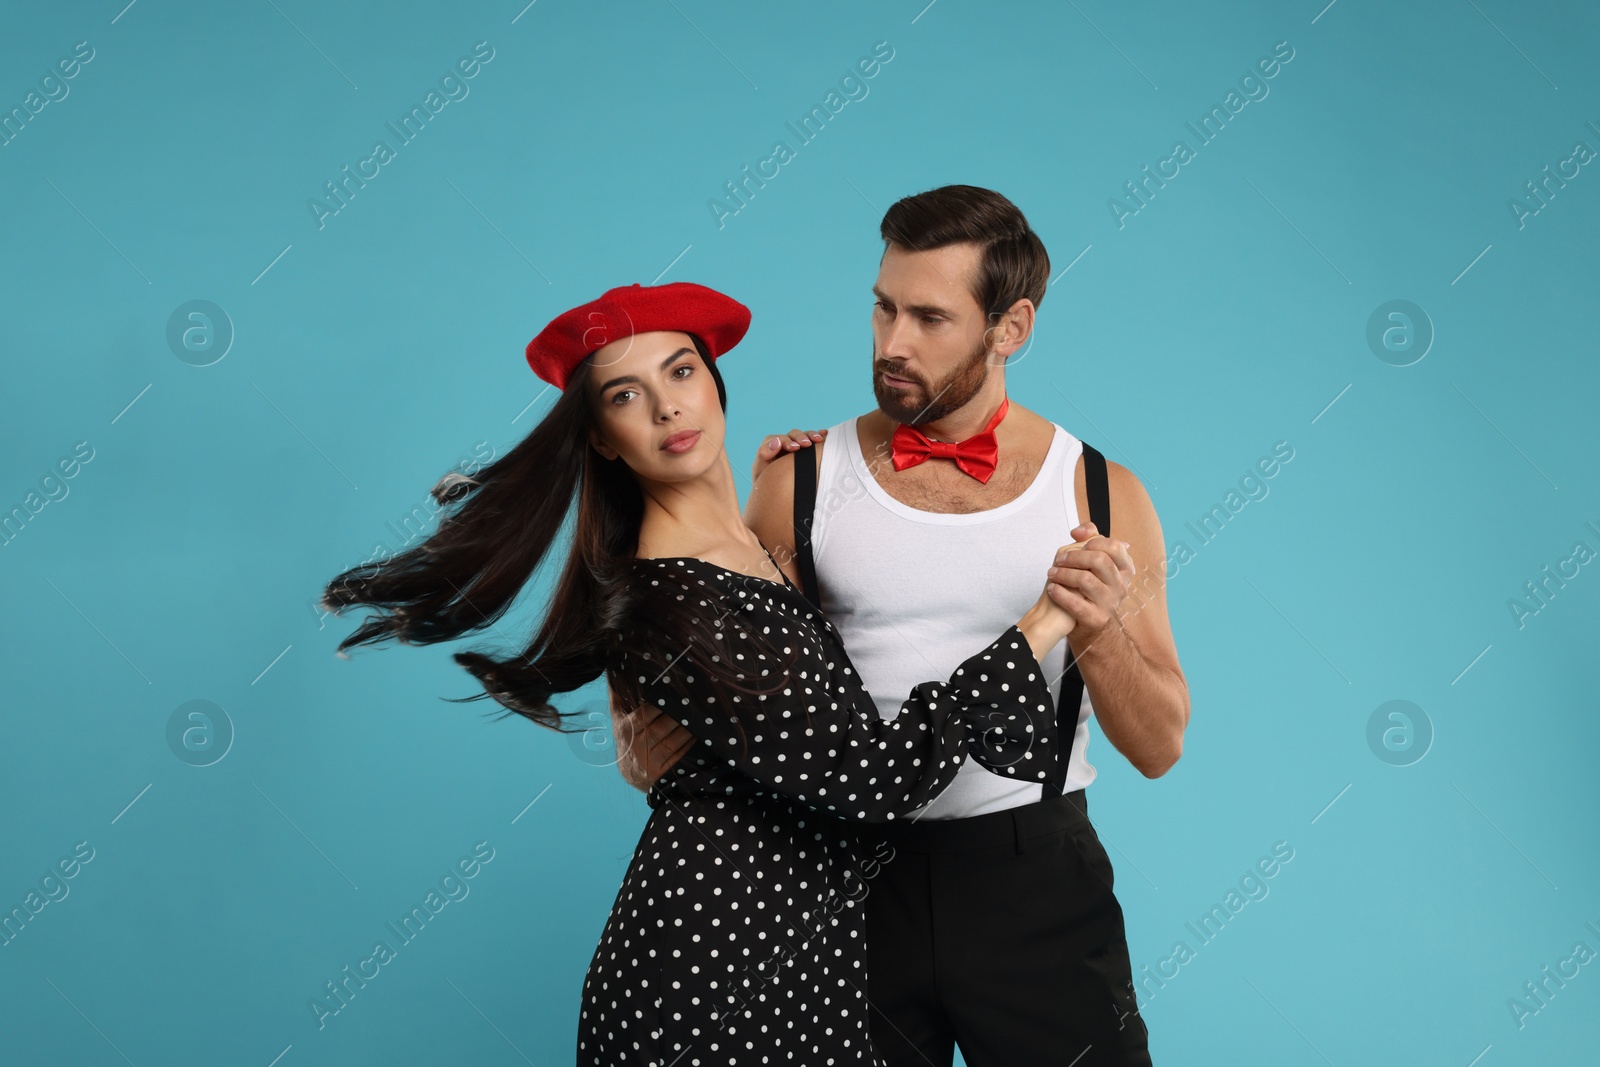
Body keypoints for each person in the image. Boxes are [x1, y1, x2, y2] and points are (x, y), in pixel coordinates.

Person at [319, 279, 1092, 1066]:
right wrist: (1039, 625)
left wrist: (771, 503)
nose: (666, 407)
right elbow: (872, 778)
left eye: (681, 371)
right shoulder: (662, 595)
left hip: (807, 962)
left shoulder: (748, 548)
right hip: (711, 975)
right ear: (602, 437)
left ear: (714, 383)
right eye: (627, 394)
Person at [616, 187, 1190, 1066]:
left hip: (1033, 877)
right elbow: (723, 648)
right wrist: (636, 726)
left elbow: (1158, 746)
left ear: (1012, 327)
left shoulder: (1103, 494)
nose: (892, 344)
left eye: (930, 317)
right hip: (839, 886)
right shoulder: (800, 481)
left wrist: (1098, 625)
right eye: (884, 308)